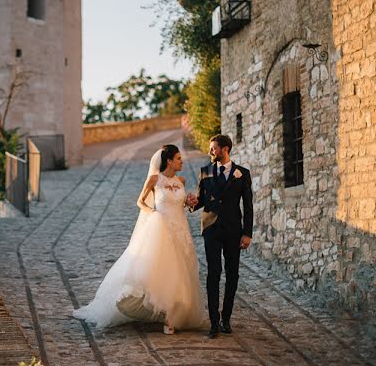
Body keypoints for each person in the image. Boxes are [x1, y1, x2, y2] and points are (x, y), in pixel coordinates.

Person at [72, 144, 205, 333]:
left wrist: (189, 202)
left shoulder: (181, 180)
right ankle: (167, 317)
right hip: (161, 230)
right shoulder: (154, 179)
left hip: (180, 231)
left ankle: (174, 313)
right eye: (178, 158)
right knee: (163, 271)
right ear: (169, 161)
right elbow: (140, 202)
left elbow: (179, 204)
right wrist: (153, 213)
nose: (181, 161)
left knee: (180, 272)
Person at [186, 134, 253, 339]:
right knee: (213, 273)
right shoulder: (205, 172)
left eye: (213, 148)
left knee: (232, 274)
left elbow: (248, 206)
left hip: (234, 230)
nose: (210, 151)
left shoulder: (243, 173)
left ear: (225, 149)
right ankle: (214, 322)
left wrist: (247, 233)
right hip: (212, 229)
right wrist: (189, 202)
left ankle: (226, 318)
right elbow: (201, 201)